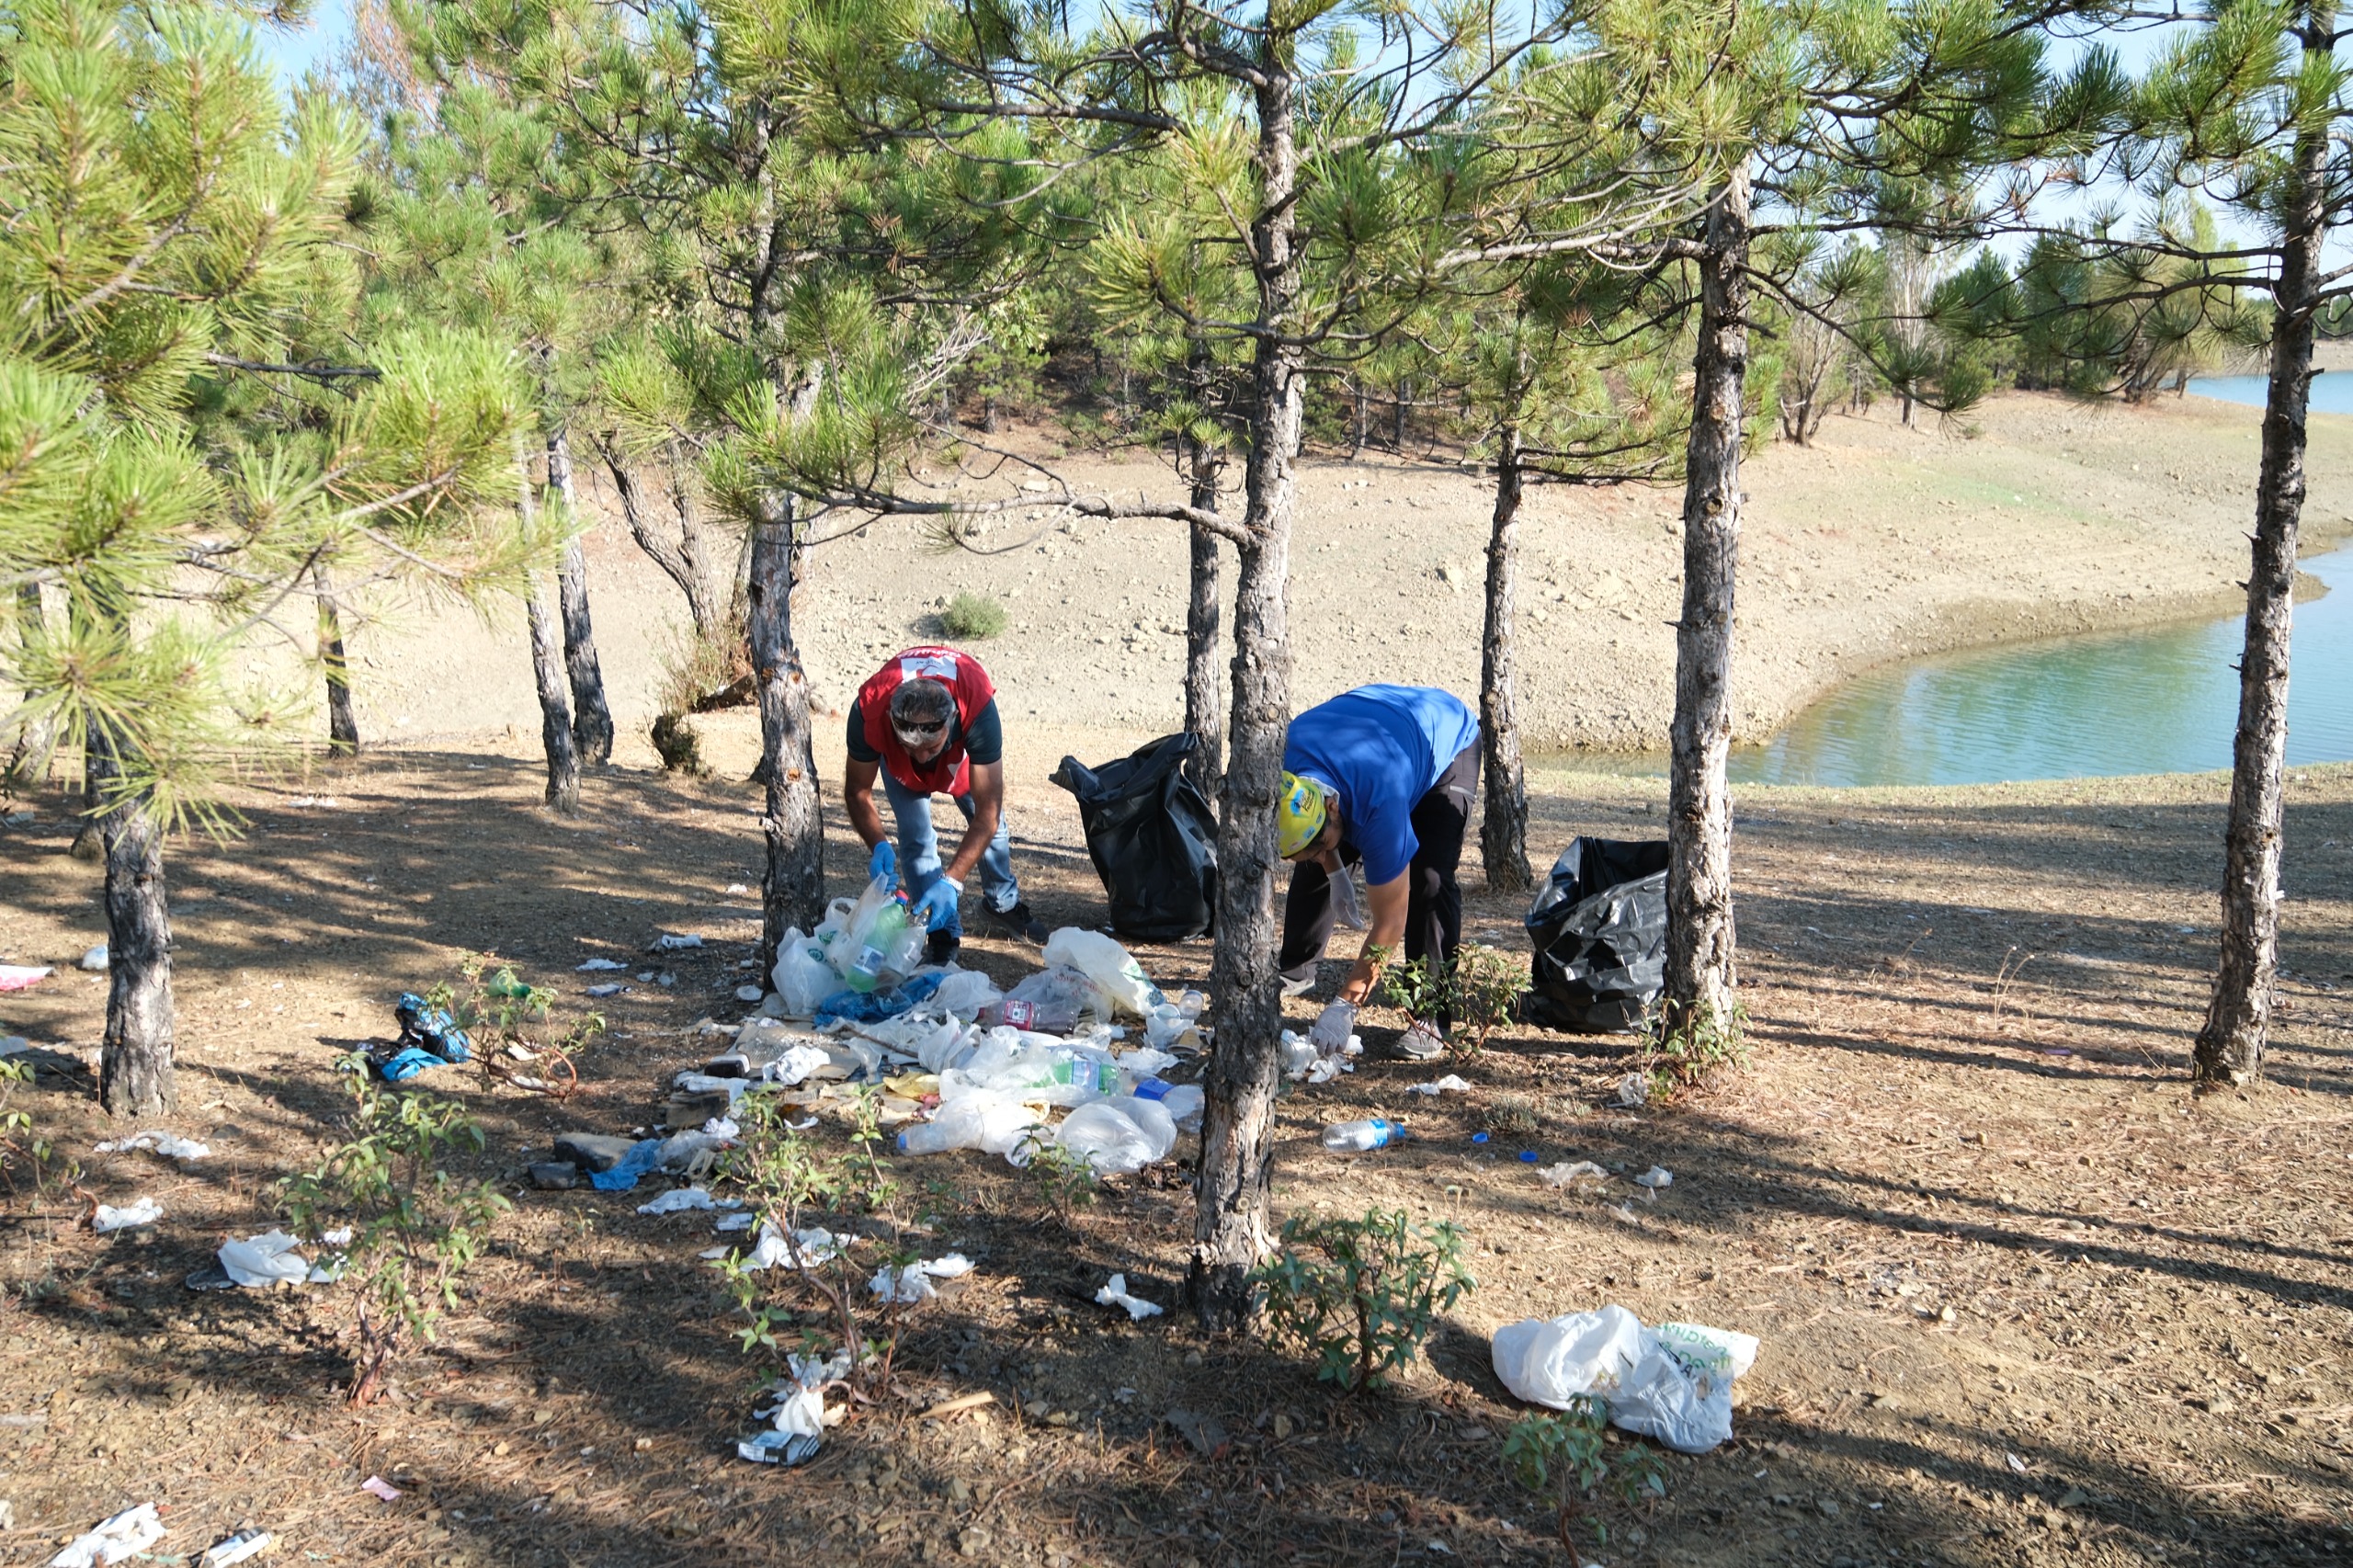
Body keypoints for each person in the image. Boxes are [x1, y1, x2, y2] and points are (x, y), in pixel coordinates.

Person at [1277, 684, 1482, 1061]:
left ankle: (1430, 1017)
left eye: (1322, 848)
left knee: (1429, 879)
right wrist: (1332, 871)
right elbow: (1314, 840)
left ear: (1333, 806)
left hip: (1445, 745)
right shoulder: (1282, 775)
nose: (1322, 856)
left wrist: (1346, 1005)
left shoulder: (1377, 803)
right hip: (1378, 728)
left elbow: (1391, 921)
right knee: (1318, 858)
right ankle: (1294, 970)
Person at [842, 646, 1049, 964]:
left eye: (930, 746)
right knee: (915, 836)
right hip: (898, 765)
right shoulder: (870, 709)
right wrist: (879, 845)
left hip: (959, 758)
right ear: (891, 723)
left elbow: (988, 813)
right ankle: (941, 932)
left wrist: (952, 881)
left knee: (992, 828)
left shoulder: (976, 707)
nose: (922, 757)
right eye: (912, 747)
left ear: (952, 720)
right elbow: (857, 791)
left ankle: (1002, 903)